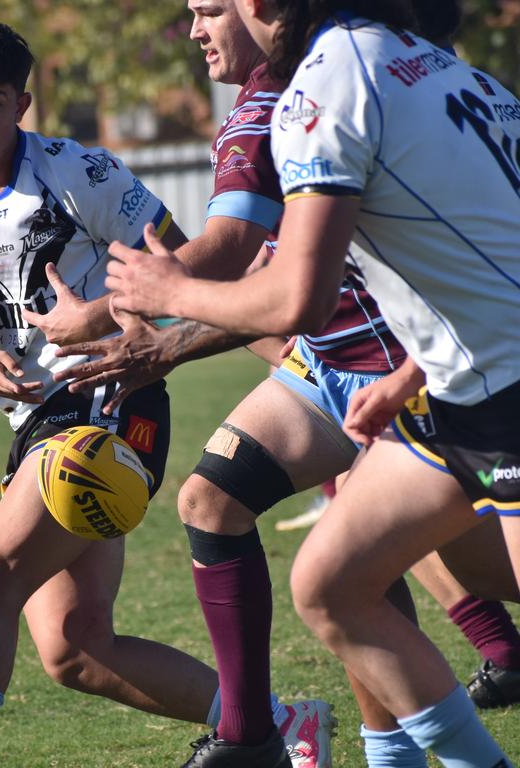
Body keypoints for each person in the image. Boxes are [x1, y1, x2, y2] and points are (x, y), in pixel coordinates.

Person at [55, 2, 520, 765]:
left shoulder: (325, 86)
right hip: (448, 388)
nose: (198, 25)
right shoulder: (431, 61)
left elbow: (290, 295)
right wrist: (413, 371)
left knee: (421, 571)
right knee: (334, 580)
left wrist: (166, 292)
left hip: (503, 390)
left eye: (213, 6)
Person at [0, 18, 329, 768]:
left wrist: (276, 348)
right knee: (73, 648)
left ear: (23, 106)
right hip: (34, 420)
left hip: (112, 401)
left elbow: (186, 271)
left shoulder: (81, 175)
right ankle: (279, 724)